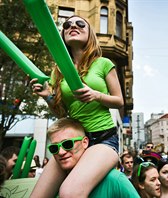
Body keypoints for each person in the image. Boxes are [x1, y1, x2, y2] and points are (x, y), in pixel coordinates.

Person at [30, 15, 123, 197]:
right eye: (67, 24)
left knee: (69, 192)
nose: (73, 26)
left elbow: (119, 100)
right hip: (72, 142)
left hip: (103, 139)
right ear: (63, 35)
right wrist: (48, 97)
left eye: (80, 24)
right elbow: (62, 113)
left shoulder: (103, 63)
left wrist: (96, 95)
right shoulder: (58, 70)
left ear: (90, 34)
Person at [33, 118, 139, 197]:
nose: (61, 152)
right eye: (54, 148)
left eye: (67, 144)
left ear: (85, 142)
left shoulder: (115, 180)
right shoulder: (51, 187)